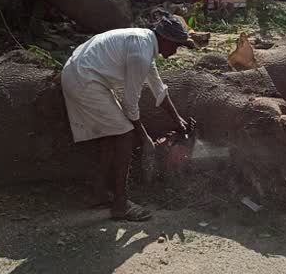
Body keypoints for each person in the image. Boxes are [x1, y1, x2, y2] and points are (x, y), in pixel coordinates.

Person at [61, 17, 195, 222]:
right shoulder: (141, 52)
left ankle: (99, 192)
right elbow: (130, 103)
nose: (176, 51)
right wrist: (145, 138)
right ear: (165, 39)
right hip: (85, 80)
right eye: (176, 46)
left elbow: (158, 88)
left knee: (111, 134)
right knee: (125, 135)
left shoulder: (144, 44)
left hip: (80, 74)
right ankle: (120, 205)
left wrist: (177, 119)